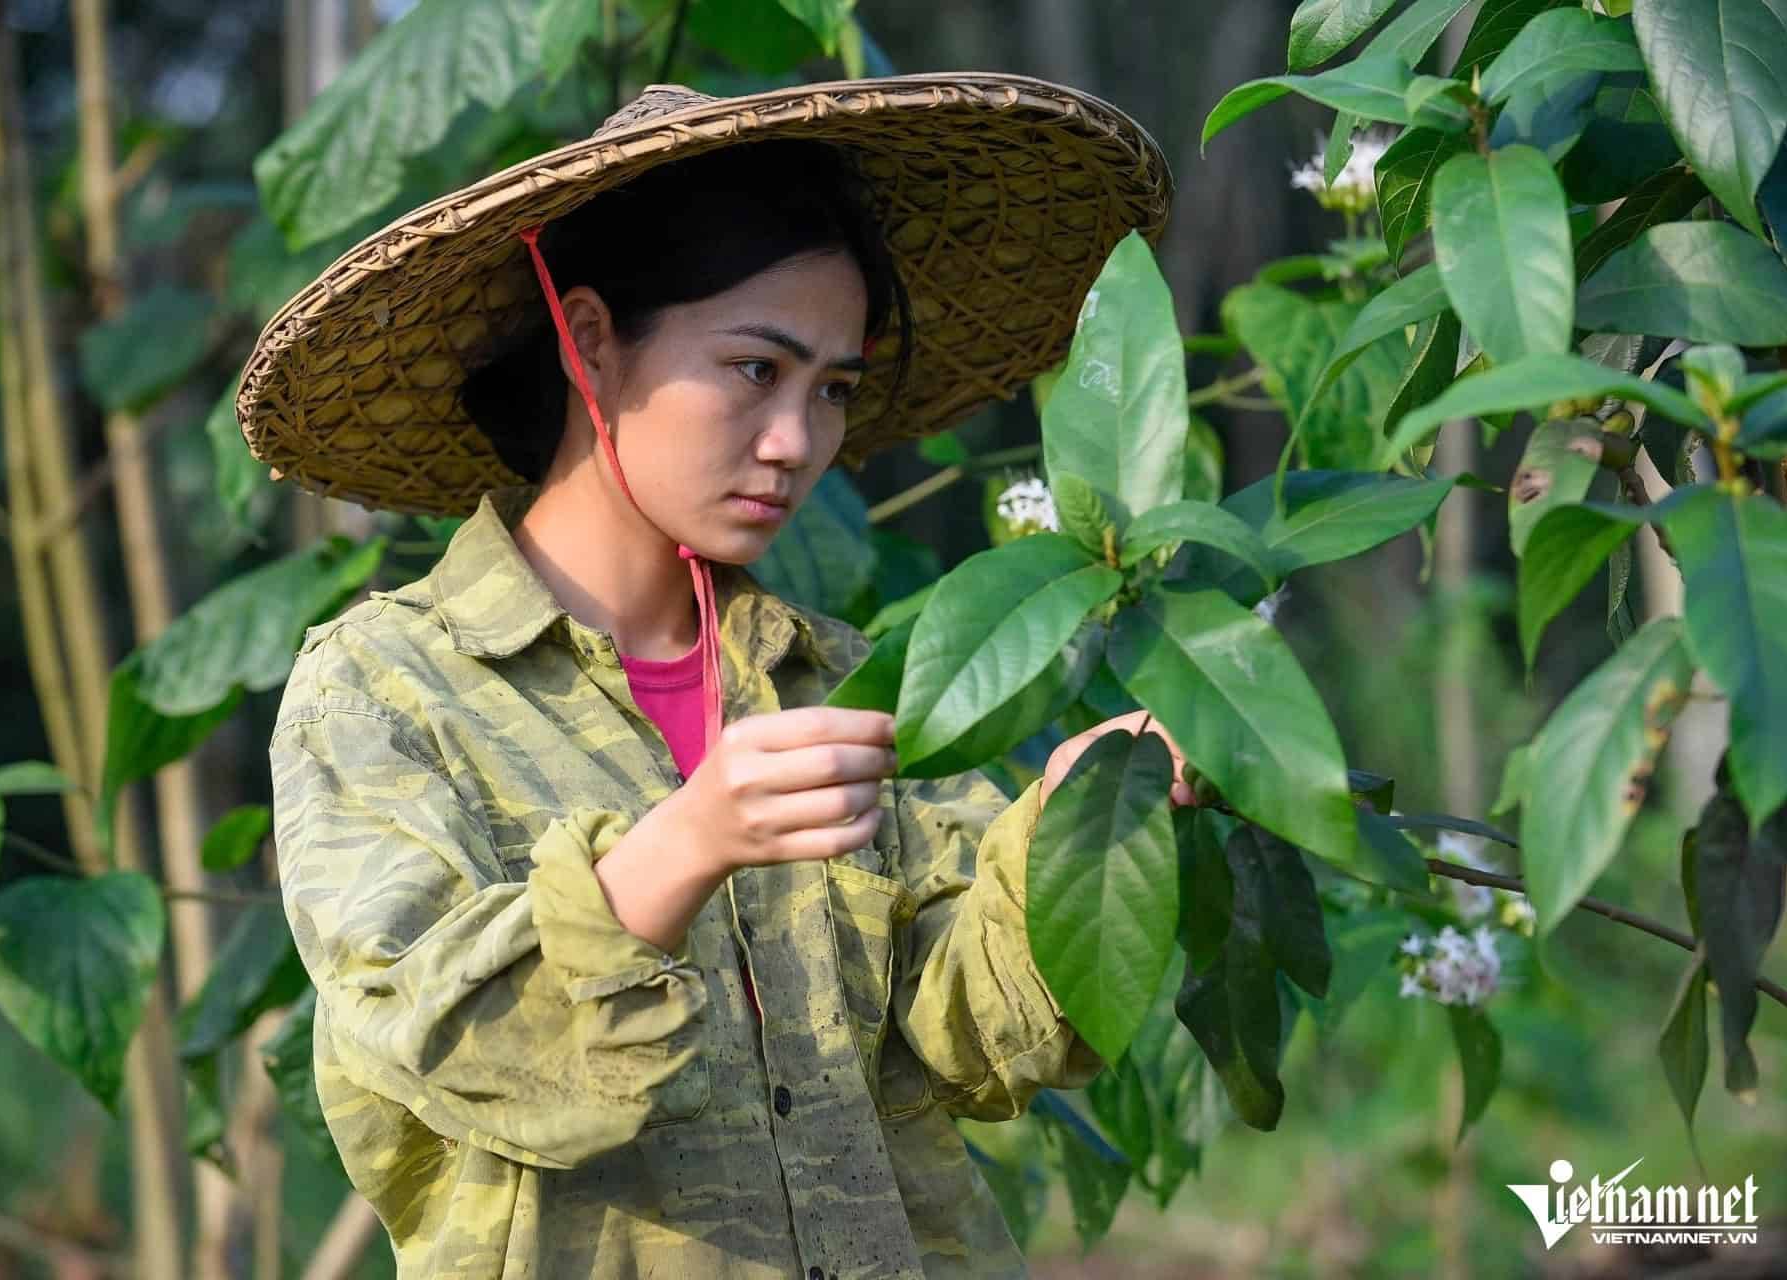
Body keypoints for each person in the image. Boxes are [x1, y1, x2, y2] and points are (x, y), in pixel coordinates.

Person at [242, 75, 1177, 1279]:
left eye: (832, 389)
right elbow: (439, 1046)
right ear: (588, 340)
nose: (797, 442)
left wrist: (1079, 825)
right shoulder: (385, 685)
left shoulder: (837, 680)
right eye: (753, 370)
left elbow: (962, 1036)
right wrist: (682, 844)